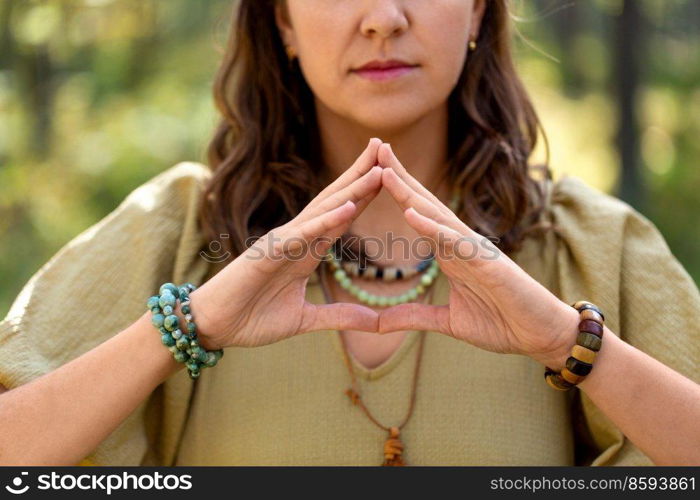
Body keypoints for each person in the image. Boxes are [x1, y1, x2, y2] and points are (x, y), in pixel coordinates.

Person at [1, 0, 699, 466]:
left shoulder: (591, 245)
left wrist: (568, 344)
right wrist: (191, 323)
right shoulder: (176, 231)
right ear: (283, 22)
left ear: (478, 11)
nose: (383, 20)